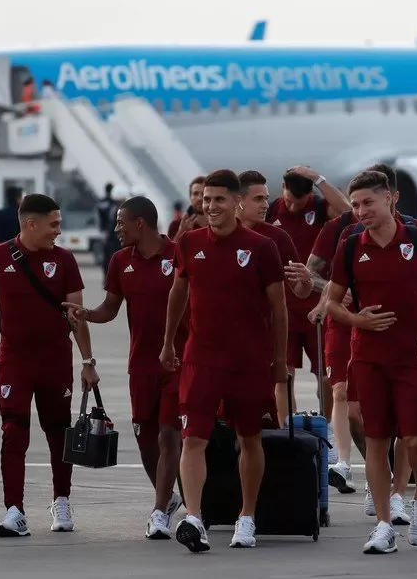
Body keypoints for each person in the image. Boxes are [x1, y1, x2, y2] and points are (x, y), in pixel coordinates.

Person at [324, 170, 417, 554]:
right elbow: (333, 301)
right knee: (377, 439)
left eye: (368, 202)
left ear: (391, 199)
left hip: (412, 356)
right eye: (355, 204)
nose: (361, 210)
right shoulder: (350, 246)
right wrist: (356, 320)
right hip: (367, 358)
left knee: (416, 439)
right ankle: (384, 524)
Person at [0, 193, 98, 537]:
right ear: (30, 224)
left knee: (58, 432)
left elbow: (77, 316)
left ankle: (61, 501)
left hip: (55, 360)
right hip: (15, 361)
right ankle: (14, 510)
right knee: (13, 433)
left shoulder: (64, 261)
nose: (58, 231)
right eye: (54, 224)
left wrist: (88, 361)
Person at [159, 169, 288, 553]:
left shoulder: (262, 247)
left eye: (219, 200)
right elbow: (177, 294)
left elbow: (279, 308)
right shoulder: (190, 243)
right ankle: (195, 518)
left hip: (249, 360)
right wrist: (168, 343)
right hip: (201, 359)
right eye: (206, 200)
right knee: (192, 438)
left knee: (249, 439)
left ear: (236, 202)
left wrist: (279, 361)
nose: (210, 206)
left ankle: (246, 517)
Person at [61, 196, 185, 539]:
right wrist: (86, 314)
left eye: (120, 223)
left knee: (169, 434)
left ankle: (158, 512)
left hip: (177, 361)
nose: (116, 229)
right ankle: (168, 496)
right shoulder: (119, 261)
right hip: (140, 364)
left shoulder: (178, 254)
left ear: (140, 223)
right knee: (145, 437)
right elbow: (110, 308)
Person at [266, 165, 350, 459]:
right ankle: (285, 430)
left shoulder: (319, 207)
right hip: (282, 310)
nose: (292, 206)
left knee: (326, 377)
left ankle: (325, 428)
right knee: (282, 375)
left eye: (298, 203)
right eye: (289, 200)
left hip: (318, 305)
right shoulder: (271, 210)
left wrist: (318, 180)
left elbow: (348, 212)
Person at [237, 170, 315, 423]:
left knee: (261, 419)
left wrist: (305, 281)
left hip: (265, 340)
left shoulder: (278, 238)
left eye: (266, 198)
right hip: (220, 342)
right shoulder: (208, 236)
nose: (265, 205)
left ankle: (282, 435)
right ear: (238, 199)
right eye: (258, 199)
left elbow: (300, 291)